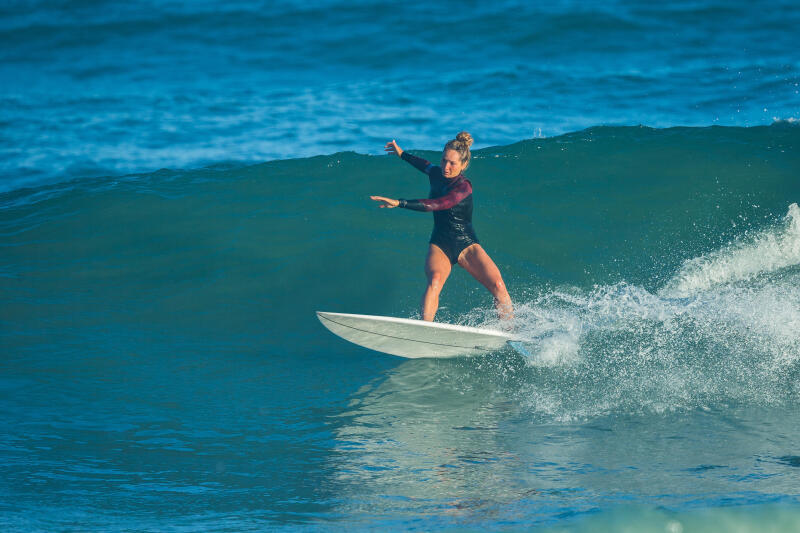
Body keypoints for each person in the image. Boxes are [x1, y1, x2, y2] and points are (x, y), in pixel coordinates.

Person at [370, 132, 513, 322]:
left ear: (463, 165)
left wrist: (399, 202)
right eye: (444, 160)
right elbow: (424, 165)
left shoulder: (464, 187)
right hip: (441, 242)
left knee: (498, 284)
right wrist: (402, 154)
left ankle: (509, 331)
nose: (446, 167)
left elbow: (436, 204)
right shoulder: (437, 173)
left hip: (466, 243)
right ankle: (425, 328)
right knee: (435, 281)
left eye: (452, 163)